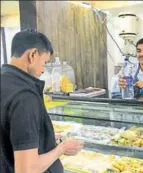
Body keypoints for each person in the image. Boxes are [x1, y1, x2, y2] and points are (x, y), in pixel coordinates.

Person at [0, 29, 83, 173]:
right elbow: (26, 170)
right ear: (32, 55)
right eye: (44, 62)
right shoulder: (25, 97)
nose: (43, 70)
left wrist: (46, 137)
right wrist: (61, 149)